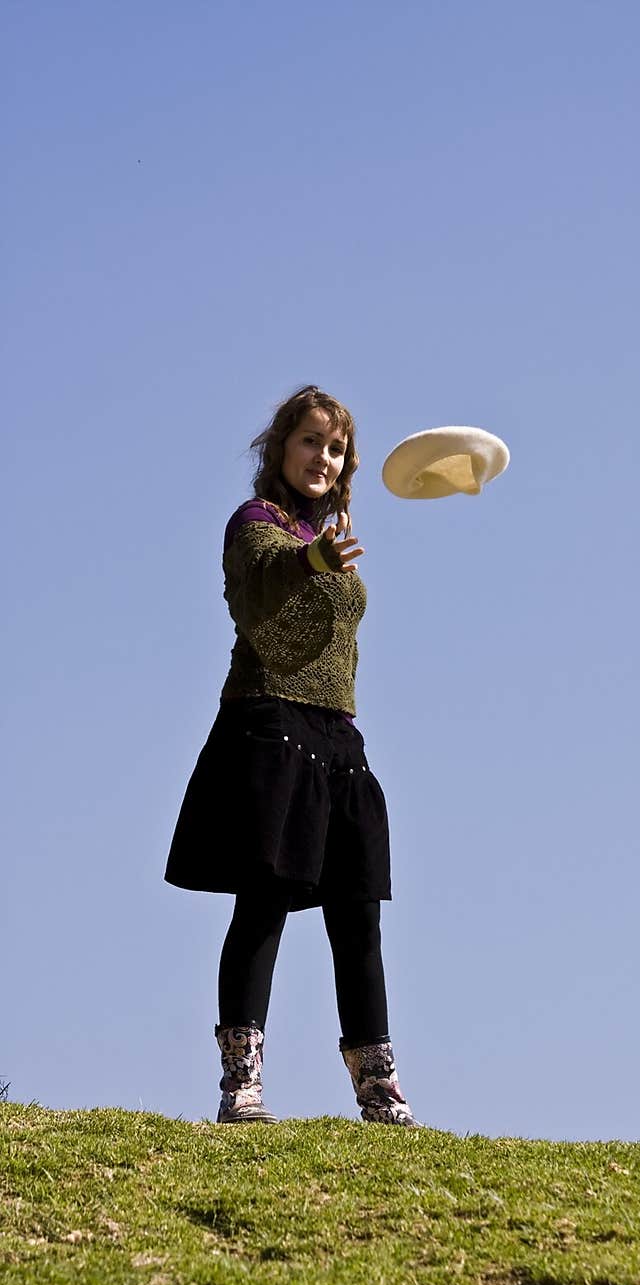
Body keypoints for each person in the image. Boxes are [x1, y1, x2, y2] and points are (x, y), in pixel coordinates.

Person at [165, 384, 419, 1127]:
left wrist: (326, 556)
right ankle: (241, 1087)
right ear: (279, 448)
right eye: (310, 440)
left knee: (358, 911)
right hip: (271, 725)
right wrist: (311, 558)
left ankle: (379, 1093)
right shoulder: (257, 527)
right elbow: (262, 584)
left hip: (338, 733)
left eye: (336, 448)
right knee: (265, 902)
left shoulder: (336, 543)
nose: (323, 456)